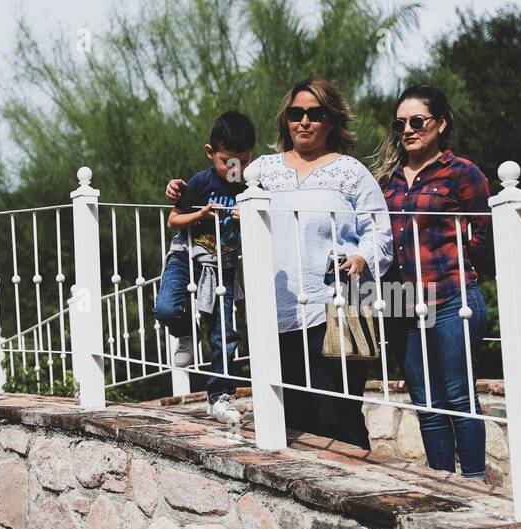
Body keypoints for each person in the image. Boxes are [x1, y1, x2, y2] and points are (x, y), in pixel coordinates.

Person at [167, 79, 393, 449]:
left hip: (345, 307)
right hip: (276, 311)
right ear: (285, 120)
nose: (304, 121)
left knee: (339, 413)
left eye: (314, 114)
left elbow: (378, 231)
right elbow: (217, 183)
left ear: (331, 121)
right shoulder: (262, 171)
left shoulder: (352, 172)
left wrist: (361, 257)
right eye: (295, 113)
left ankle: (358, 495)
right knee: (291, 419)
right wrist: (180, 193)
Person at [374, 85, 493, 480]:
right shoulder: (387, 181)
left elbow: (484, 233)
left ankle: (474, 482)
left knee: (458, 397)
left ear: (439, 124)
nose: (407, 130)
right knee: (426, 401)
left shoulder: (462, 173)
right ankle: (442, 482)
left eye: (417, 121)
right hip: (403, 300)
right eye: (400, 123)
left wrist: (453, 264)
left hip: (451, 296)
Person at [153, 111, 255, 427]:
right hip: (185, 257)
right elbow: (173, 220)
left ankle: (221, 395)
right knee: (166, 308)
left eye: (243, 161)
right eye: (227, 161)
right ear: (211, 153)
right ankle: (184, 331)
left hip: (221, 267)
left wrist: (248, 216)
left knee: (224, 334)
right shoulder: (201, 182)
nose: (234, 169)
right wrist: (202, 214)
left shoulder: (250, 185)